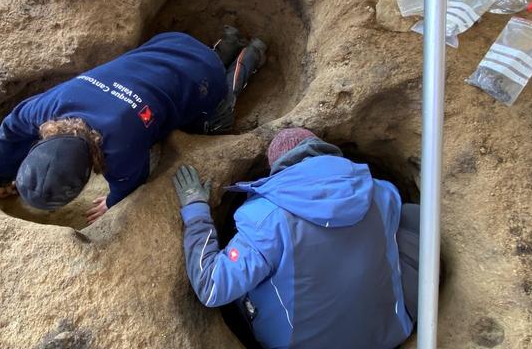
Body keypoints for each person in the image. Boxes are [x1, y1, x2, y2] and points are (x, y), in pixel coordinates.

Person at [172, 128, 420, 348]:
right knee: (408, 221)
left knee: (250, 277)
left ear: (279, 169)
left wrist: (196, 211)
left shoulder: (265, 219)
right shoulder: (381, 191)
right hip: (389, 335)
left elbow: (212, 287)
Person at [0, 28, 266, 222]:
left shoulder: (119, 149)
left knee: (215, 122)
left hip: (205, 78)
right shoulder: (48, 108)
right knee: (190, 70)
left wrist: (111, 202)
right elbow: (10, 128)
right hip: (170, 44)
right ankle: (227, 41)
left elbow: (131, 181)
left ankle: (249, 56)